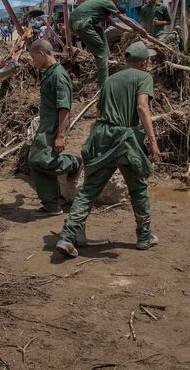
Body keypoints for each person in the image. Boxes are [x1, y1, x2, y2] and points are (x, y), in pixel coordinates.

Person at [56, 41, 162, 257]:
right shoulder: (144, 78)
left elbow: (99, 114)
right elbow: (142, 107)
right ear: (144, 61)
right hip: (124, 139)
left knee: (90, 190)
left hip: (102, 136)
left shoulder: (110, 80)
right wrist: (153, 142)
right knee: (138, 187)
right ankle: (144, 236)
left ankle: (67, 237)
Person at [27, 39, 81, 215]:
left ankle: (74, 163)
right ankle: (51, 205)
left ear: (42, 54)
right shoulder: (49, 72)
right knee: (36, 162)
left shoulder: (59, 75)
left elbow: (64, 107)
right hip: (47, 125)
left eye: (34, 58)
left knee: (38, 159)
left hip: (54, 127)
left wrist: (60, 135)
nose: (34, 62)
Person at [68, 0, 146, 88]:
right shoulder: (109, 3)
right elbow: (124, 19)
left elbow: (114, 24)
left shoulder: (102, 5)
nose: (119, 1)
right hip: (82, 24)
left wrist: (131, 31)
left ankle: (107, 59)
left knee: (100, 31)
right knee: (100, 51)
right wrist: (140, 29)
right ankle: (103, 84)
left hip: (75, 24)